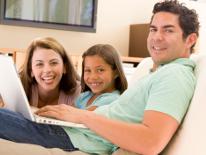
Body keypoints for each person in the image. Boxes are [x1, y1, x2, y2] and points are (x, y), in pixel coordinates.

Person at [0, 0, 199, 154]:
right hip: (76, 132)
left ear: (190, 39)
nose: (156, 37)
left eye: (168, 30)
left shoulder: (175, 75)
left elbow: (151, 142)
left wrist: (83, 116)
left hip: (79, 141)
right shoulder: (159, 72)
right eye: (153, 29)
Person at [18, 37, 81, 108]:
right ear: (31, 70)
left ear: (64, 67)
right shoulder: (18, 87)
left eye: (54, 63)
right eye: (39, 64)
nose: (47, 70)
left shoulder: (79, 93)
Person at [75, 44, 127, 111]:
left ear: (116, 73)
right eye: (88, 70)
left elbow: (83, 115)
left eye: (100, 70)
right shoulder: (85, 96)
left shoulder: (112, 99)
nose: (93, 77)